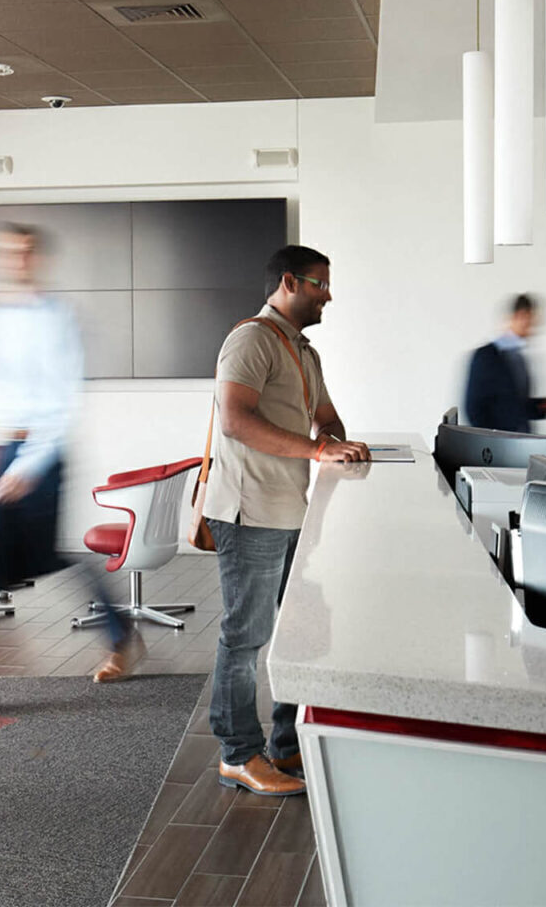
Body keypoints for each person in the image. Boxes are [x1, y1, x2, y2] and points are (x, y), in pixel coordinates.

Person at [0, 224, 139, 714]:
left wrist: (31, 464)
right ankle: (118, 632)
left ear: (36, 259)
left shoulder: (57, 319)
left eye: (23, 253)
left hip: (43, 456)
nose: (12, 261)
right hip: (6, 452)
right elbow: (5, 394)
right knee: (24, 562)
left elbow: (61, 399)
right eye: (2, 253)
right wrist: (6, 457)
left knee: (5, 565)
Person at [203, 245, 369, 797]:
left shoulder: (302, 351)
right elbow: (234, 421)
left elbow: (325, 418)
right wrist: (317, 452)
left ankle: (287, 742)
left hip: (292, 509)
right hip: (251, 513)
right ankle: (238, 754)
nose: (329, 295)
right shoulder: (251, 340)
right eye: (320, 284)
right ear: (288, 282)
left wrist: (338, 443)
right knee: (246, 635)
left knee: (301, 627)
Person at [463, 294, 546, 432]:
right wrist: (492, 443)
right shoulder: (486, 356)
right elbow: (473, 409)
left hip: (520, 443)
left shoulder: (518, 357)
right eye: (531, 321)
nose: (534, 327)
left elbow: (516, 407)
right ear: (521, 316)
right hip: (499, 446)